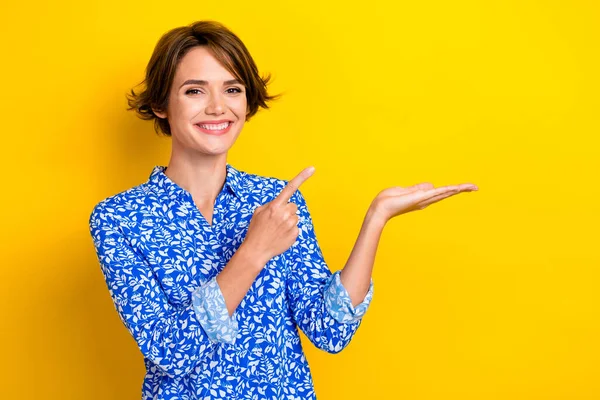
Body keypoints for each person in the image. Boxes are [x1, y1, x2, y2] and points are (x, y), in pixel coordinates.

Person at [88, 20, 478, 400]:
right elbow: (172, 352)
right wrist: (254, 252)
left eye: (232, 89)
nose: (217, 107)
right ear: (160, 104)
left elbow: (329, 329)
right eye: (194, 91)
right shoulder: (118, 219)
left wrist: (376, 218)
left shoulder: (277, 200)